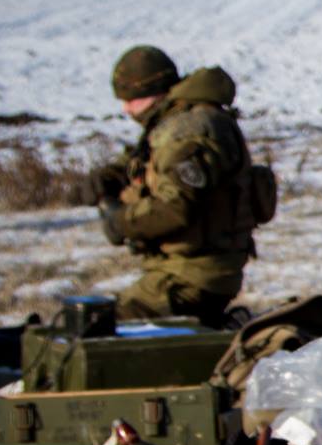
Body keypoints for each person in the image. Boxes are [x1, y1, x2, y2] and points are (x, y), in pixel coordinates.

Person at [93, 45, 272, 326]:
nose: (126, 109)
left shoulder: (188, 130)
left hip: (192, 278)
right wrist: (113, 175)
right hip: (193, 272)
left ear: (154, 91)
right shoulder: (181, 121)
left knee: (94, 331)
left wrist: (120, 222)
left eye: (132, 99)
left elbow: (174, 208)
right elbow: (157, 166)